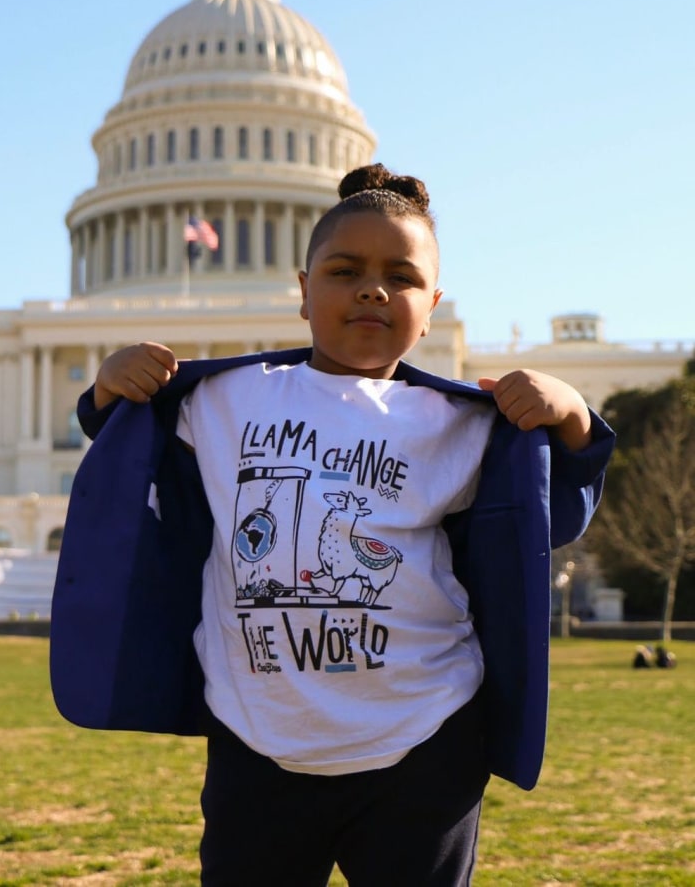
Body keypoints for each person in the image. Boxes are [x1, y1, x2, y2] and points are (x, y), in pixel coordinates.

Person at [50, 163, 615, 886]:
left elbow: (546, 522)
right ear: (303, 290)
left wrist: (569, 412)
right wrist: (108, 385)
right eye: (345, 270)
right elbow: (129, 458)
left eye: (401, 278)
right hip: (259, 741)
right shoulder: (222, 400)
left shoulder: (464, 425)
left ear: (433, 305)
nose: (373, 289)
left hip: (424, 739)